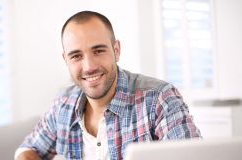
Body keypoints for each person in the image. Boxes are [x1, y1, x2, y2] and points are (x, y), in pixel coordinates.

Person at [15, 10, 201, 160]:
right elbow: (27, 149)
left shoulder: (159, 99)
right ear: (66, 60)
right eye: (76, 56)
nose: (89, 67)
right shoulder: (62, 105)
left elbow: (193, 157)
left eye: (98, 51)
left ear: (116, 50)